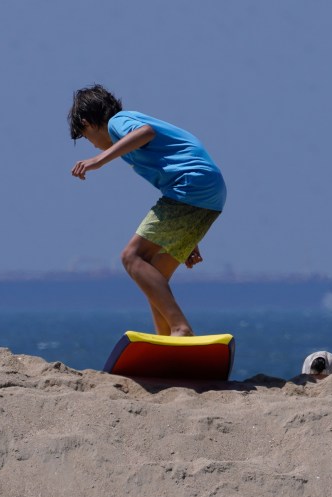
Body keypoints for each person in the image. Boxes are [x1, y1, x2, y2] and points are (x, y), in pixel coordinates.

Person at [68, 84, 227, 337]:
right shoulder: (126, 137)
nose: (94, 147)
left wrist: (99, 160)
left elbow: (146, 132)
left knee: (131, 257)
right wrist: (186, 236)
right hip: (206, 194)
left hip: (190, 186)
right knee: (155, 270)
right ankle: (164, 339)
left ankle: (179, 328)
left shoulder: (118, 122)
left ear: (87, 123)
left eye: (87, 138)